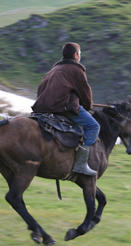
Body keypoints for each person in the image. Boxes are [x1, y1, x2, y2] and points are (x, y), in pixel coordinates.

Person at [32, 42, 100, 176]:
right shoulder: (76, 69)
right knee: (94, 126)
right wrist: (88, 107)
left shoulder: (53, 70)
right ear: (75, 55)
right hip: (63, 107)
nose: (80, 57)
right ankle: (80, 164)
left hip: (42, 107)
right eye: (80, 54)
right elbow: (85, 93)